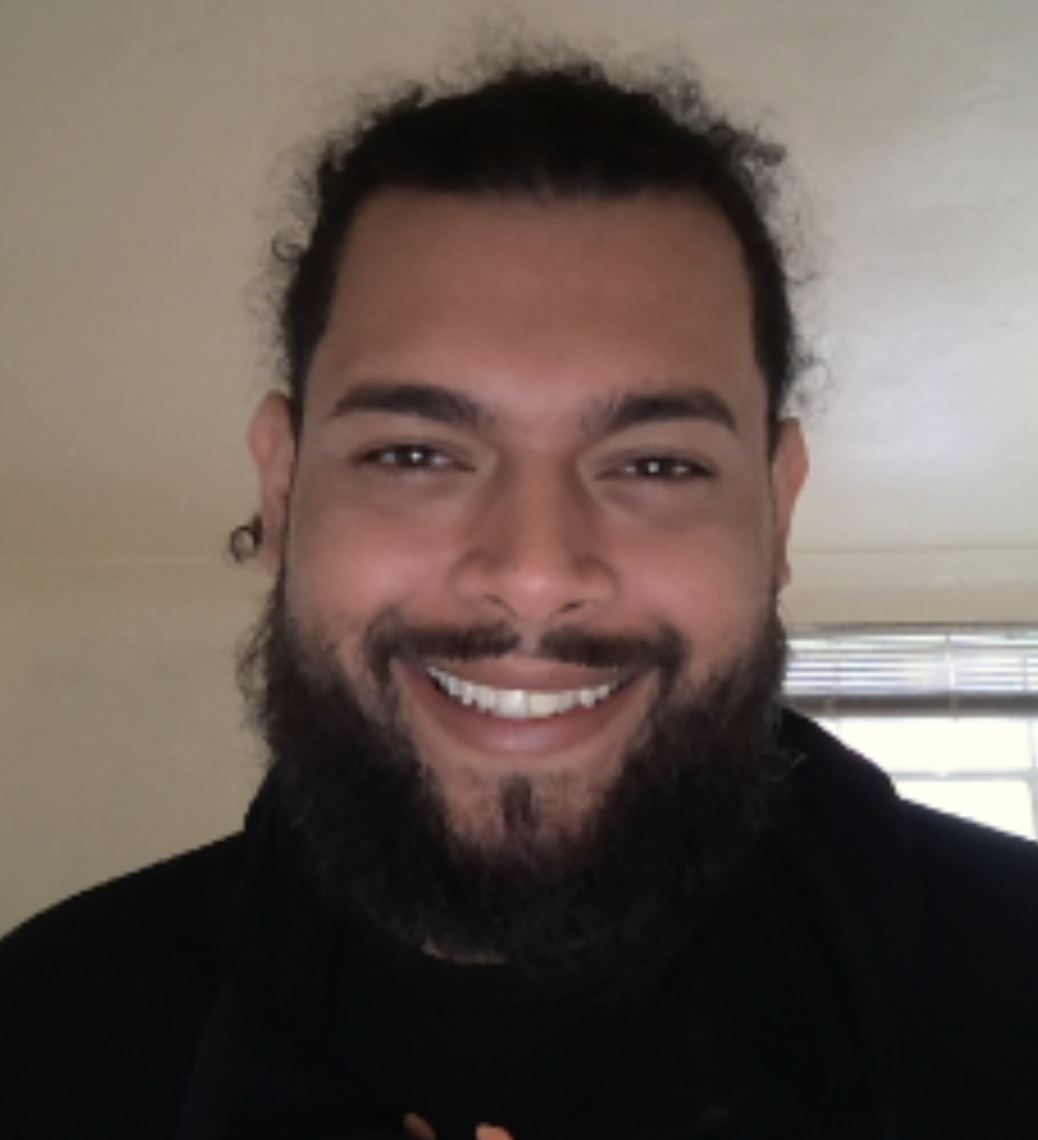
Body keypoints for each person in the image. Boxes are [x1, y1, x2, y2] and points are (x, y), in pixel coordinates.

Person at [2, 45, 1038, 1140]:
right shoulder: (41, 1035)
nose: (537, 572)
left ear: (777, 509)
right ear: (282, 483)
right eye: (415, 455)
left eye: (655, 464)